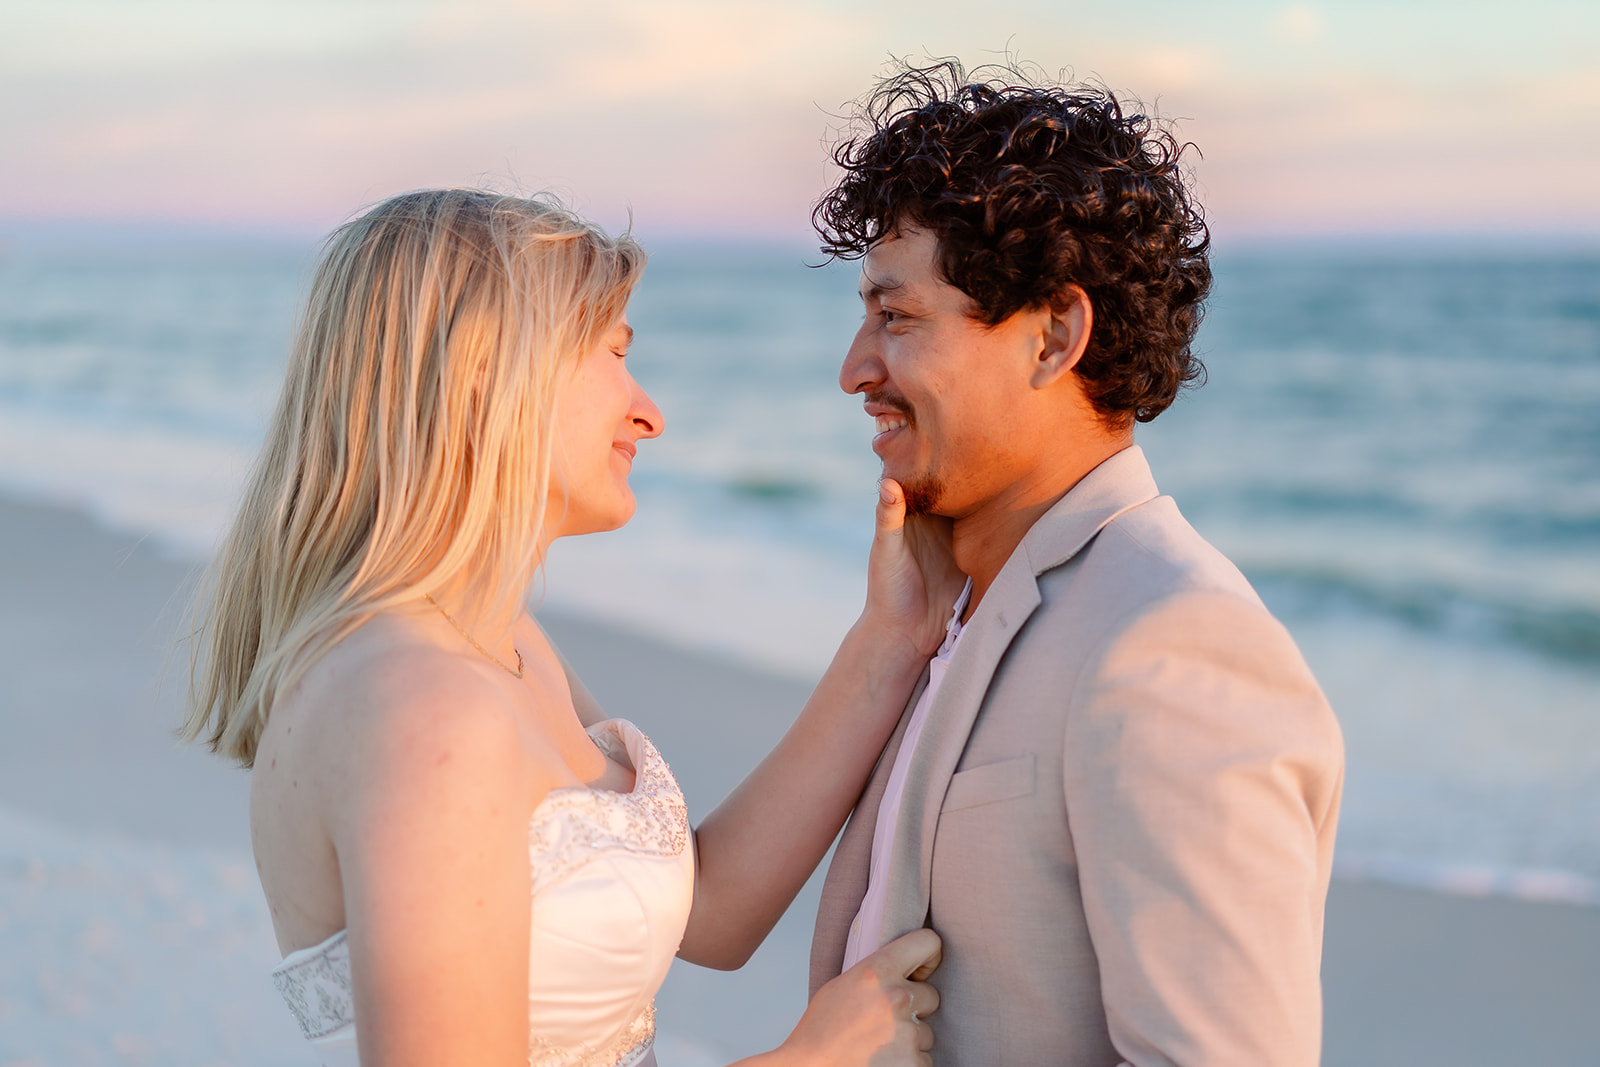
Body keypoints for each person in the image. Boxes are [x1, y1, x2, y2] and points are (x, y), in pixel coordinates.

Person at [181, 189, 960, 1067]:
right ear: (485, 373)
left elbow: (708, 914)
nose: (648, 412)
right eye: (614, 352)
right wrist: (810, 1059)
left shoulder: (491, 641)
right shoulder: (423, 705)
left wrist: (892, 636)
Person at [806, 60, 1346, 1066]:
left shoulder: (1173, 644)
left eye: (897, 316)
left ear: (1053, 336)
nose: (854, 369)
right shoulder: (949, 605)